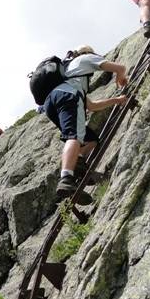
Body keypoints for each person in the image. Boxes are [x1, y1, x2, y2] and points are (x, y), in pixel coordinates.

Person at [43, 45, 128, 205]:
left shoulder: (69, 74)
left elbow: (92, 106)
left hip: (52, 103)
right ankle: (66, 178)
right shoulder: (84, 58)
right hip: (68, 96)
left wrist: (116, 100)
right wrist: (120, 76)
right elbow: (120, 67)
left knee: (91, 139)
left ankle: (78, 162)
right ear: (87, 52)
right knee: (73, 136)